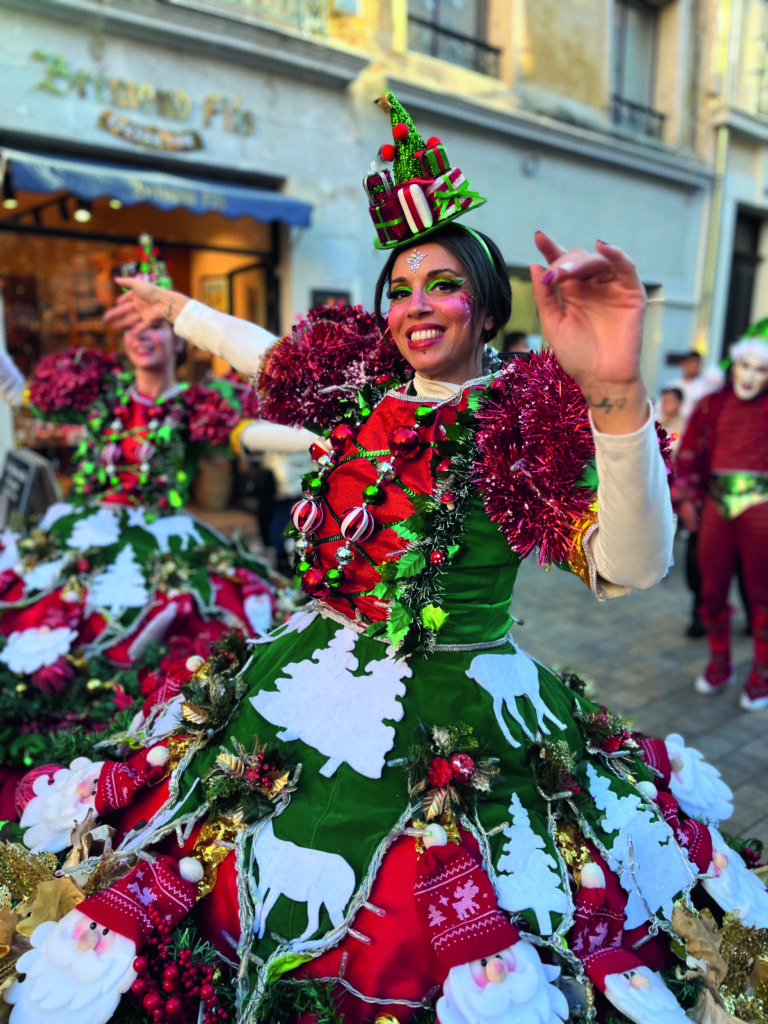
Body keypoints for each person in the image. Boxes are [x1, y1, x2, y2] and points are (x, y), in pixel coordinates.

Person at [4, 96, 767, 1024]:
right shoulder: (355, 395)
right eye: (400, 288)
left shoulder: (520, 425)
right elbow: (269, 355)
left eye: (442, 284)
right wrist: (185, 312)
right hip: (307, 673)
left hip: (461, 704)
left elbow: (633, 566)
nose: (416, 306)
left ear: (487, 305)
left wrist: (617, 393)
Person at [0, 237, 281, 813]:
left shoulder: (194, 406)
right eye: (132, 330)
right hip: (80, 533)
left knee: (168, 645)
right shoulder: (100, 395)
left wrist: (331, 434)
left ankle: (127, 760)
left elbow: (251, 435)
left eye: (153, 327)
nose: (142, 337)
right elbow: (16, 391)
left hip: (162, 540)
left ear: (174, 335)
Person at [675, 323, 768, 711]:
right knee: (711, 592)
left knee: (762, 595)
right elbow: (689, 454)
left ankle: (762, 671)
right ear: (733, 366)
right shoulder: (712, 404)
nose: (749, 375)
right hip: (716, 504)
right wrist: (684, 497)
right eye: (744, 366)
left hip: (761, 507)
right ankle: (720, 661)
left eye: (760, 369)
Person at [656, 386, 684, 453]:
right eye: (664, 401)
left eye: (669, 401)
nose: (665, 404)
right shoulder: (657, 423)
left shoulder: (685, 425)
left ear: (679, 403)